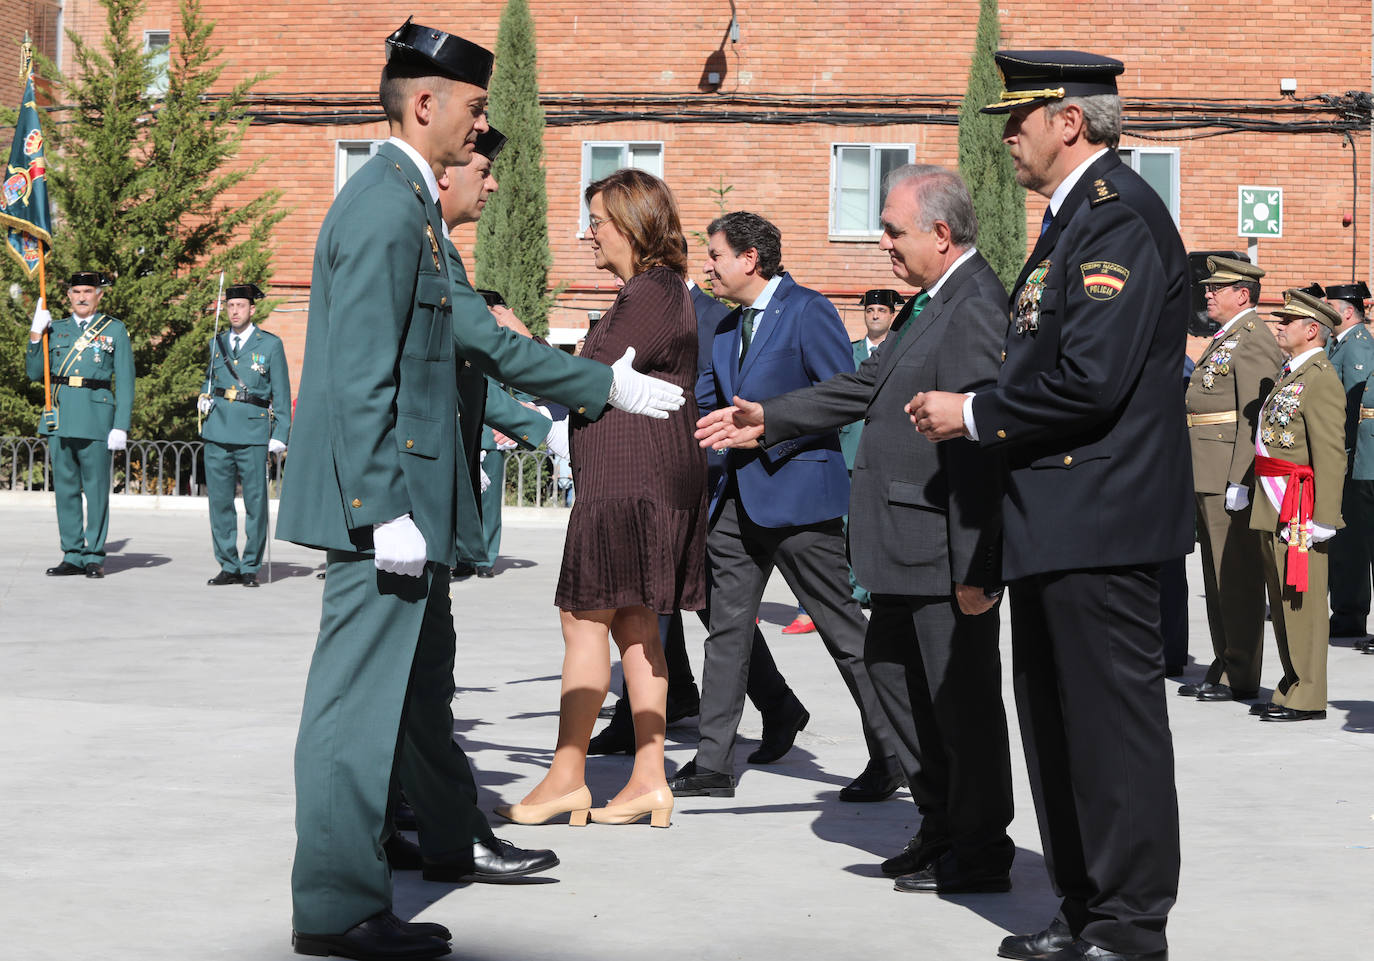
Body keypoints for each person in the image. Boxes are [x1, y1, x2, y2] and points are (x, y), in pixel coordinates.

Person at [278, 22, 684, 961]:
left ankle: (409, 860)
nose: (482, 131)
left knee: (404, 701)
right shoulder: (385, 207)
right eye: (473, 109)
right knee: (350, 711)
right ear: (426, 104)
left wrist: (599, 388)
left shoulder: (406, 204)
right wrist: (382, 509)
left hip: (408, 502)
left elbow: (472, 339)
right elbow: (359, 377)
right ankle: (337, 908)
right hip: (386, 508)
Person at [909, 51, 1189, 961]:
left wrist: (973, 412)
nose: (1007, 135)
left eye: (1019, 117)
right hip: (1056, 519)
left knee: (1111, 734)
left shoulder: (1117, 221)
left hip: (1100, 518)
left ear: (1069, 119)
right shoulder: (1070, 224)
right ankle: (1083, 907)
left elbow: (1090, 381)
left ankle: (1128, 922)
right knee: (1059, 729)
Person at [695, 165, 1014, 894]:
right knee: (902, 690)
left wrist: (976, 566)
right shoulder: (931, 301)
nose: (882, 242)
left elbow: (978, 446)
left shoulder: (972, 305)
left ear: (940, 232)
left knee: (958, 706)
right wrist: (769, 418)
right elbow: (864, 386)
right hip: (900, 545)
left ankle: (980, 847)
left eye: (894, 230)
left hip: (939, 545)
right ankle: (938, 828)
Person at [493, 168, 706, 831]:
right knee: (637, 626)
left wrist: (519, 338)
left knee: (584, 621)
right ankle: (648, 778)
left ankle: (567, 775)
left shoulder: (650, 290)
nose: (589, 233)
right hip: (645, 470)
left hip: (628, 474)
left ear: (634, 225)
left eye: (598, 221)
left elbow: (587, 376)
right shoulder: (652, 291)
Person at [670, 210, 902, 803]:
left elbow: (843, 398)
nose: (709, 267)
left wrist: (767, 432)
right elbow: (699, 404)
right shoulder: (724, 328)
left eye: (716, 256)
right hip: (735, 504)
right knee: (726, 632)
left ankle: (893, 754)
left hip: (800, 499)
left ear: (750, 259)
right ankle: (714, 762)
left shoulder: (809, 311)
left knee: (843, 633)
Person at [1180, 256, 1280, 701]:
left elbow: (1253, 418)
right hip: (1207, 469)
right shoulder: (1229, 337)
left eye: (1216, 288)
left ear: (1243, 294)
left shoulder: (1253, 339)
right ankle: (1225, 662)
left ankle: (1239, 672)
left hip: (1226, 473)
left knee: (1233, 576)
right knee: (1215, 574)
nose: (1207, 293)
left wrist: (1242, 479)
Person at [1249, 289, 1346, 721]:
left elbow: (1330, 453)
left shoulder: (1321, 377)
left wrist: (1326, 517)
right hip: (1277, 500)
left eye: (1288, 321)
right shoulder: (1291, 373)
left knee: (1302, 601)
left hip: (1301, 506)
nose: (1279, 325)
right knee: (1284, 599)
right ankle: (1292, 682)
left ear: (1312, 330)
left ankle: (1309, 693)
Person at [26, 272, 133, 579]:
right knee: (66, 490)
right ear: (68, 296)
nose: (82, 297)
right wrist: (36, 335)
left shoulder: (114, 330)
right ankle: (72, 554)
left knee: (97, 490)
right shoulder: (55, 328)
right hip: (59, 417)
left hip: (97, 419)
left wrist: (120, 426)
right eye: (76, 291)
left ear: (99, 295)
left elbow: (125, 381)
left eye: (88, 291)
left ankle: (94, 555)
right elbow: (35, 374)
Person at [197, 283, 290, 588]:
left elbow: (281, 392)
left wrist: (281, 433)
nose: (234, 311)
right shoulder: (218, 342)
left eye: (240, 306)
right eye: (230, 306)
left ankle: (250, 565)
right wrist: (204, 397)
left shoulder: (269, 345)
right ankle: (228, 564)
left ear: (252, 309)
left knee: (255, 503)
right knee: (220, 503)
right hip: (218, 429)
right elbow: (210, 380)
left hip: (252, 431)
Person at [1323, 280, 1374, 638]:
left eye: (1330, 308)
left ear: (1346, 311)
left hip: (1356, 458)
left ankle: (1350, 612)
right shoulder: (1339, 344)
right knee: (1347, 539)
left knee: (1354, 540)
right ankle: (1346, 612)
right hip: (1347, 457)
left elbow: (1352, 408)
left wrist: (1344, 456)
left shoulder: (1357, 347)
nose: (1326, 314)